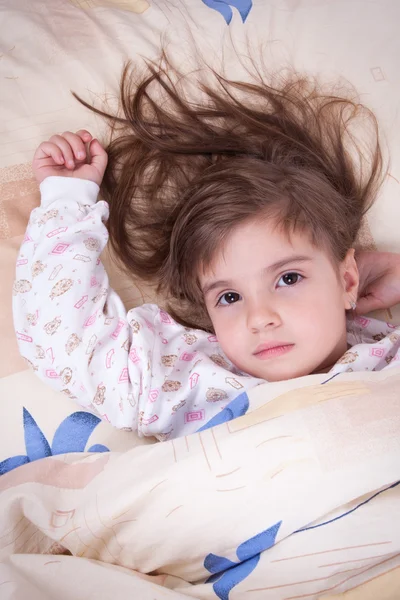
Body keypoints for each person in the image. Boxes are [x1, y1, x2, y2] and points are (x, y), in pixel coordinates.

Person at [12, 62, 400, 440]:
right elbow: (68, 343)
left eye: (288, 278)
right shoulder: (183, 383)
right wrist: (67, 199)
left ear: (348, 277)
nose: (259, 318)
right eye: (229, 296)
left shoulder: (388, 359)